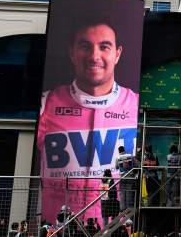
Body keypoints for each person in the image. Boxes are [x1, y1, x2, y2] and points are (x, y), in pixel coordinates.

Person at [37, 15, 139, 224]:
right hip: (58, 230)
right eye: (85, 46)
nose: (94, 56)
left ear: (117, 54)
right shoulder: (46, 103)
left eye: (104, 47)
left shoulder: (137, 106)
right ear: (71, 52)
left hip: (114, 229)